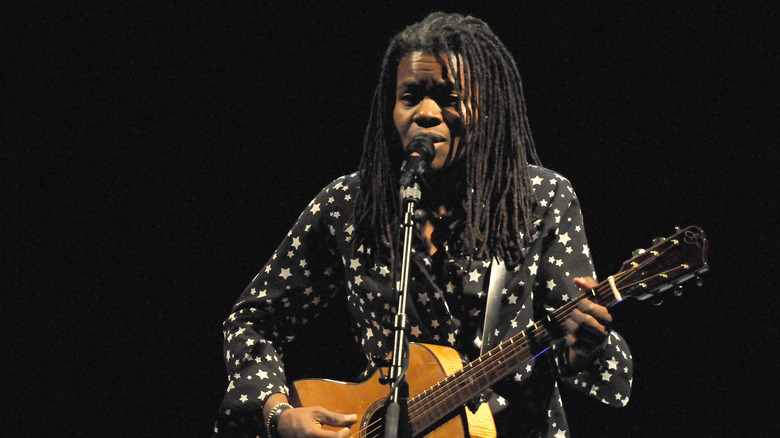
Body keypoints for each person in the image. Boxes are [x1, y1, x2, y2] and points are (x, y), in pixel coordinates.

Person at [215, 12, 632, 438]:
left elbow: (594, 359)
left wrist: (587, 348)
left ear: (487, 108)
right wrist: (278, 414)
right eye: (410, 96)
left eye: (450, 97)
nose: (427, 114)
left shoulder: (537, 199)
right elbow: (252, 319)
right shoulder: (352, 204)